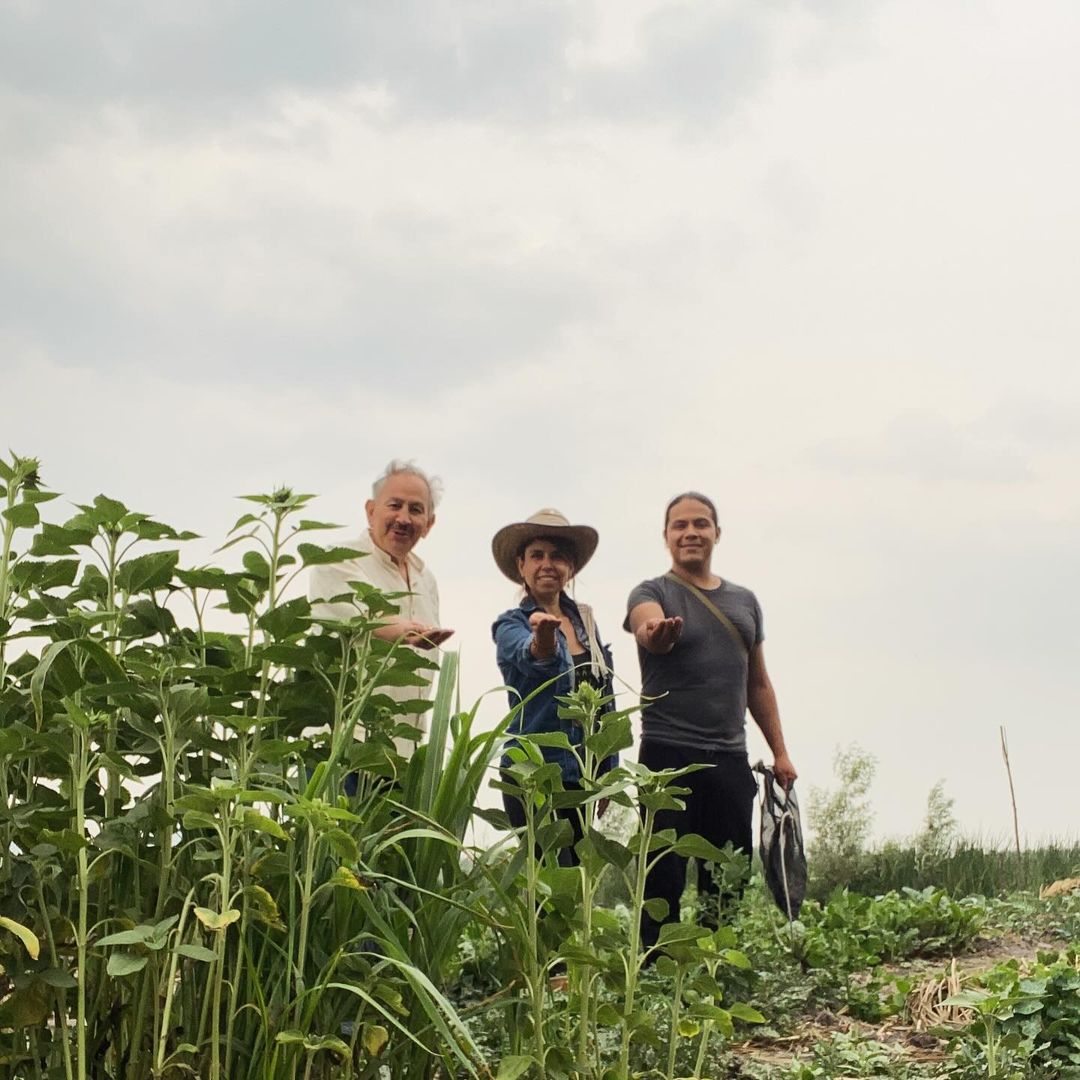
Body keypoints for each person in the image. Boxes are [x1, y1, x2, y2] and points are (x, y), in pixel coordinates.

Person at [624, 491, 797, 946]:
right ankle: (655, 972)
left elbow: (757, 684)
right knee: (662, 875)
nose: (691, 533)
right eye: (680, 525)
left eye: (700, 524)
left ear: (717, 533)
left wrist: (780, 751)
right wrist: (656, 634)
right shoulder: (652, 592)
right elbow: (648, 629)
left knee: (728, 875)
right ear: (666, 537)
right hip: (667, 754)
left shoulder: (745, 601)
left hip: (728, 757)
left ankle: (717, 969)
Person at [491, 509, 616, 867]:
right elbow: (534, 658)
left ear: (571, 568)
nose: (547, 564)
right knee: (542, 879)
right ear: (521, 565)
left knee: (574, 879)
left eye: (558, 556)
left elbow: (604, 703)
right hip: (533, 773)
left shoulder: (586, 625)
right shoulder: (510, 625)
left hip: (582, 776)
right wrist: (543, 636)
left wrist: (608, 769)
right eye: (537, 555)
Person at [308, 459, 453, 758]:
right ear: (371, 510)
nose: (403, 518)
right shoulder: (335, 560)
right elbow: (363, 612)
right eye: (394, 505)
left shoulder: (427, 580)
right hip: (343, 744)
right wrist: (404, 632)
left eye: (415, 510)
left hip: (403, 753)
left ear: (429, 524)